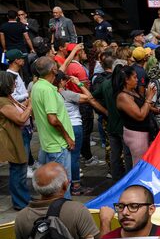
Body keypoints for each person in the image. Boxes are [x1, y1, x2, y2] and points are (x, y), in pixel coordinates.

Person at [55, 73, 107, 196]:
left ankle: (65, 185)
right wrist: (78, 83)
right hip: (74, 126)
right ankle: (76, 186)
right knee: (74, 158)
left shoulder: (52, 94)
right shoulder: (67, 94)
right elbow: (89, 97)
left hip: (62, 127)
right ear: (62, 81)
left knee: (66, 156)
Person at [30, 57, 76, 197]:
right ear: (53, 70)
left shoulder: (37, 86)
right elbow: (53, 119)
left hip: (48, 144)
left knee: (51, 186)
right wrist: (67, 137)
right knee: (62, 187)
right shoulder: (47, 90)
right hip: (58, 145)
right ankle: (63, 214)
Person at [0, 71, 32, 208]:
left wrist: (27, 102)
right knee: (18, 169)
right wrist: (31, 105)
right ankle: (20, 202)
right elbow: (20, 119)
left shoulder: (8, 98)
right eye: (13, 82)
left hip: (21, 135)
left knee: (21, 168)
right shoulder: (2, 101)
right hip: (14, 138)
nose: (15, 84)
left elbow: (20, 109)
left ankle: (23, 199)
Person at [116, 66, 156, 164]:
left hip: (144, 133)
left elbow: (145, 108)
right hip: (137, 135)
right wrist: (149, 98)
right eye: (134, 77)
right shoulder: (123, 96)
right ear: (126, 80)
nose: (137, 80)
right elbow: (140, 115)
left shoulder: (134, 91)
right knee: (140, 165)